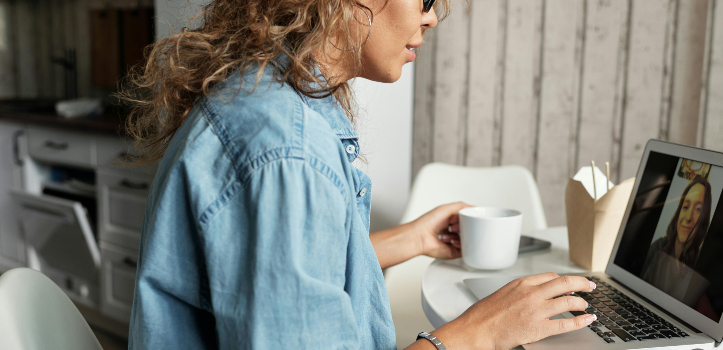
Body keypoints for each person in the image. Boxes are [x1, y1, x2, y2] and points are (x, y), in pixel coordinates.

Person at [121, 0, 597, 349]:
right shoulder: (288, 154)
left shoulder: (261, 98)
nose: (430, 17)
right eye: (426, 0)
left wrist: (408, 240)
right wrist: (480, 333)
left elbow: (278, 274)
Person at [641, 176, 712, 305]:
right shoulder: (658, 248)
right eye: (685, 206)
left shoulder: (701, 266)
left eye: (698, 209)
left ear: (704, 218)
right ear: (679, 210)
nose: (688, 217)